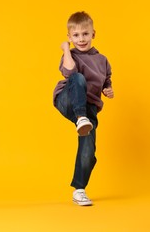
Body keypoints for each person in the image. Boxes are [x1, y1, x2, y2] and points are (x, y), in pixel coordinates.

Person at [53, 11, 114, 206]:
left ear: (93, 34)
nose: (81, 39)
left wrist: (108, 89)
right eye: (76, 35)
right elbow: (70, 72)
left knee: (89, 151)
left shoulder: (102, 60)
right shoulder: (71, 56)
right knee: (78, 78)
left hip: (89, 109)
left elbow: (105, 80)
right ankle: (80, 118)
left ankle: (79, 190)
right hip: (68, 99)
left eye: (85, 34)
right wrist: (66, 49)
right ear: (70, 37)